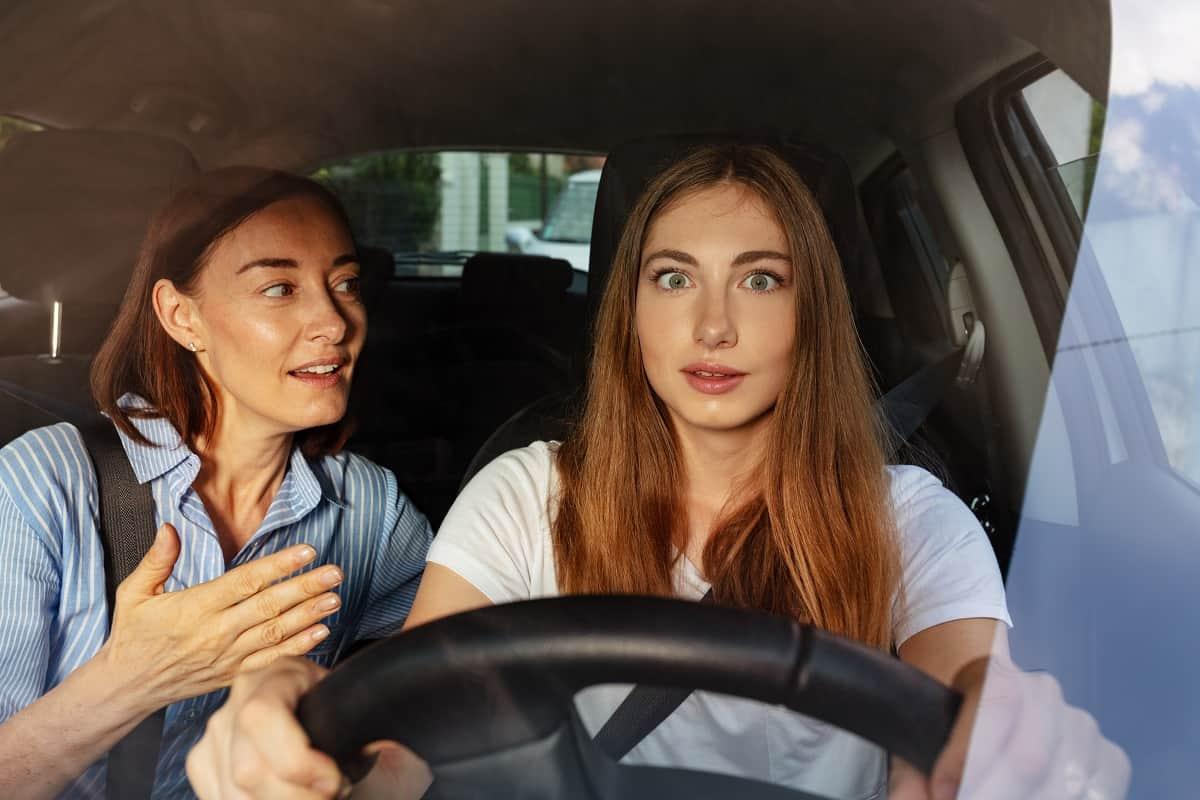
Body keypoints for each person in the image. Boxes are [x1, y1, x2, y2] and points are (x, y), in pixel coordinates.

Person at [187, 145, 1130, 799]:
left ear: (814, 313)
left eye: (761, 279)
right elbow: (409, 750)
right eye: (673, 278)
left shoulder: (907, 516)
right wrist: (308, 739)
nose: (711, 326)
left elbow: (971, 684)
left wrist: (1007, 731)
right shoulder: (525, 494)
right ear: (629, 311)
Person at [0, 168, 433, 798]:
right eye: (280, 288)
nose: (335, 323)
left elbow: (438, 696)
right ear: (182, 317)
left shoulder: (371, 507)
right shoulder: (40, 484)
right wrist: (131, 679)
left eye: (346, 283)